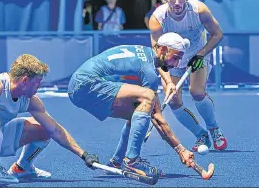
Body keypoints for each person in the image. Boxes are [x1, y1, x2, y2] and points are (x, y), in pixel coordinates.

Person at [0, 54, 99, 184]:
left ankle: (23, 168)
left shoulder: (30, 100)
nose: (39, 87)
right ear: (25, 80)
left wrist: (83, 154)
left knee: (44, 128)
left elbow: (55, 130)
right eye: (37, 82)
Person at [68, 32, 195, 181]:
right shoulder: (148, 72)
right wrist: (180, 149)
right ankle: (132, 160)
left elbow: (160, 67)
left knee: (137, 111)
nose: (176, 64)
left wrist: (169, 82)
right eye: (175, 58)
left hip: (77, 84)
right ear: (163, 50)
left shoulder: (146, 53)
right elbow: (157, 118)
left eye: (180, 59)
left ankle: (117, 161)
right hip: (87, 84)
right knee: (148, 97)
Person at [149, 0, 227, 152]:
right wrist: (168, 82)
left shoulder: (199, 10)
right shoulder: (157, 19)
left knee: (197, 92)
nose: (177, 2)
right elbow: (158, 55)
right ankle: (201, 134)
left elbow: (217, 34)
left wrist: (200, 55)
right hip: (171, 61)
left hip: (197, 54)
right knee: (174, 101)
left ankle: (214, 128)